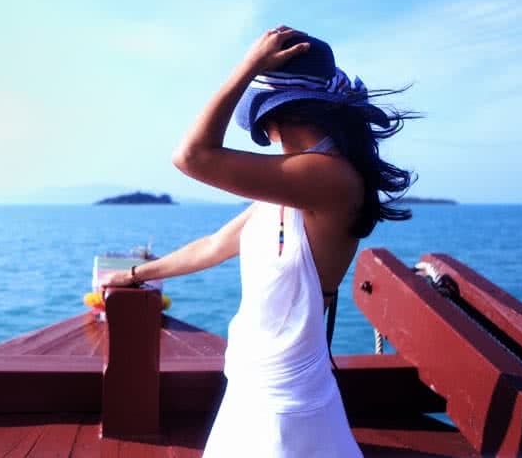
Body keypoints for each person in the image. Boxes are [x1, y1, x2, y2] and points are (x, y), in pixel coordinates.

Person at [103, 25, 415, 457]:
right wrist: (136, 274)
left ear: (271, 119)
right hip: (251, 382)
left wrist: (248, 67)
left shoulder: (329, 179)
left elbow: (191, 157)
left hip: (286, 401)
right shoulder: (293, 187)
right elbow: (213, 245)